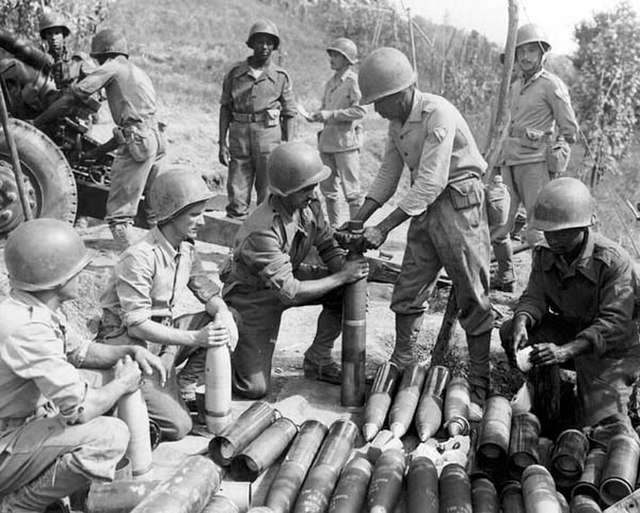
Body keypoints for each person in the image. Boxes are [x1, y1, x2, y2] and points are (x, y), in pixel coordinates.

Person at [354, 47, 494, 420]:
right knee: (411, 283)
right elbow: (389, 173)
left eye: (379, 103)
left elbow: (433, 180)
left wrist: (383, 227)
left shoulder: (437, 114)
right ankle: (403, 361)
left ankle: (479, 382)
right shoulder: (396, 123)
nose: (376, 111)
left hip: (458, 199)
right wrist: (359, 218)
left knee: (472, 291)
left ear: (401, 92)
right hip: (426, 203)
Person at [0, 218, 165, 512]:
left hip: (17, 426)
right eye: (77, 270)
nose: (81, 275)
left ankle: (72, 497)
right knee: (109, 435)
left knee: (102, 380)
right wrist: (123, 383)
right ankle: (18, 506)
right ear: (59, 278)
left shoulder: (29, 306)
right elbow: (81, 409)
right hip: (5, 444)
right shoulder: (28, 328)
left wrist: (126, 351)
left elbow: (80, 352)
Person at [220, 141, 369, 399]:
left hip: (288, 278)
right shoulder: (262, 229)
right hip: (252, 300)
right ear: (283, 191)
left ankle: (319, 360)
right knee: (253, 389)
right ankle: (225, 340)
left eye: (313, 186)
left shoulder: (308, 203)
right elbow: (290, 292)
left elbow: (327, 245)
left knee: (345, 291)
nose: (313, 194)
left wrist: (348, 283)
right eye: (306, 189)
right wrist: (341, 276)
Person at [98, 167, 238, 441]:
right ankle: (117, 404)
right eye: (194, 215)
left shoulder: (185, 246)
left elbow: (206, 290)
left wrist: (223, 313)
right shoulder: (139, 257)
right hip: (131, 346)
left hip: (164, 337)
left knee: (228, 317)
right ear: (172, 216)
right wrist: (196, 337)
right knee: (179, 427)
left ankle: (182, 383)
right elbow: (137, 325)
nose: (203, 222)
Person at [500, 178, 640, 444]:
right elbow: (534, 295)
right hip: (572, 332)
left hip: (612, 350)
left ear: (584, 227)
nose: (552, 239)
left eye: (561, 233)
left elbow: (614, 324)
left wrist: (564, 351)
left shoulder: (613, 262)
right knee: (511, 331)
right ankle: (551, 399)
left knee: (601, 431)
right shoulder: (545, 253)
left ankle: (587, 405)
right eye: (548, 232)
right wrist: (522, 319)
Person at [34, 28, 165, 247]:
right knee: (152, 210)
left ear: (104, 54)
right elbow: (135, 126)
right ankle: (160, 248)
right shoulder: (137, 72)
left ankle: (135, 258)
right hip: (154, 139)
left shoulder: (112, 68)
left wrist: (38, 122)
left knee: (118, 217)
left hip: (138, 141)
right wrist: (96, 153)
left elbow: (72, 98)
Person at [495, 23, 579, 289]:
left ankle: (541, 290)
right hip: (509, 162)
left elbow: (569, 129)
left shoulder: (551, 85)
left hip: (535, 164)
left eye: (532, 50)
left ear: (543, 54)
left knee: (537, 231)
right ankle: (505, 276)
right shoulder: (515, 84)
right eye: (521, 51)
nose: (525, 57)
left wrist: (557, 153)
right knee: (498, 224)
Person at [218, 20, 297, 220]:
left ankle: (264, 233)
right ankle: (235, 235)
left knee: (268, 187)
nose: (264, 47)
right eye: (260, 42)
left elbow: (289, 113)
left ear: (274, 47)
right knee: (237, 186)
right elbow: (225, 108)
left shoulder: (280, 77)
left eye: (269, 43)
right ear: (251, 44)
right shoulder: (235, 73)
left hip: (268, 136)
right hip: (239, 134)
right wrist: (222, 143)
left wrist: (288, 145)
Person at [309, 37, 365, 227]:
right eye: (331, 54)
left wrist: (331, 114)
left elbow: (360, 110)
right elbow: (325, 109)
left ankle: (355, 232)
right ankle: (333, 231)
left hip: (346, 144)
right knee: (328, 191)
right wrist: (317, 115)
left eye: (336, 55)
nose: (331, 58)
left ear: (347, 59)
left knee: (352, 192)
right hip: (327, 143)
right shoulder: (330, 82)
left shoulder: (353, 82)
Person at [38, 10, 96, 92]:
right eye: (49, 33)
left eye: (57, 33)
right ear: (45, 36)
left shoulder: (77, 59)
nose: (53, 37)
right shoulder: (40, 59)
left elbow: (94, 82)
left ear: (63, 34)